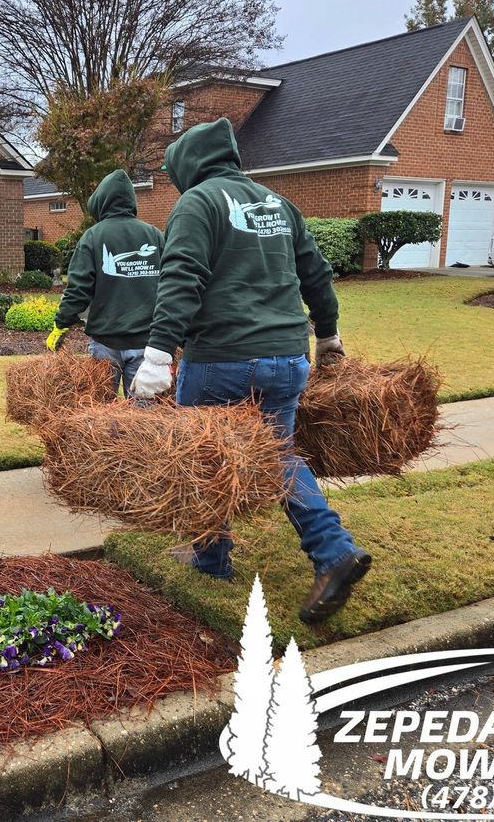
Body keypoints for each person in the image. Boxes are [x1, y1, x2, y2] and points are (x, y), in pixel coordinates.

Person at [131, 118, 370, 625]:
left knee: (205, 459)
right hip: (288, 357)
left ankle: (212, 557)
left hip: (220, 358)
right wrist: (328, 336)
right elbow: (316, 275)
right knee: (279, 455)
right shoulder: (279, 205)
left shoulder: (198, 203)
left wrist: (157, 355)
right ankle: (332, 552)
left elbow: (182, 279)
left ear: (188, 165)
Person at [47, 169, 164, 395]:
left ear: (101, 202)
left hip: (105, 342)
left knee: (101, 411)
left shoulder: (93, 237)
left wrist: (62, 322)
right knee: (143, 415)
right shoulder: (155, 235)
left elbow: (78, 289)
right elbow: (172, 283)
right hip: (146, 341)